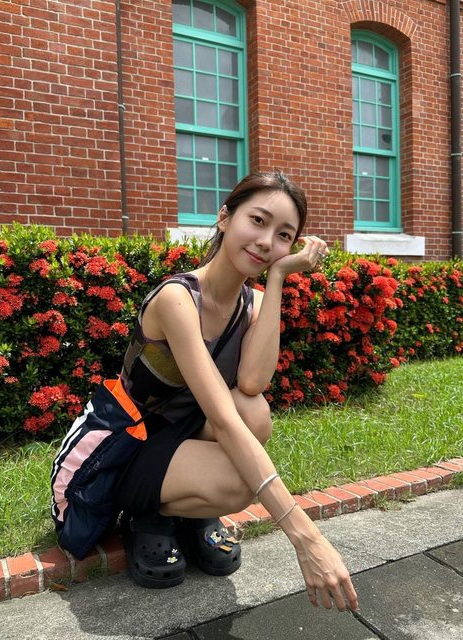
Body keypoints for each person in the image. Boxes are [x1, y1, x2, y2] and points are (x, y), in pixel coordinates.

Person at [51, 170, 359, 613]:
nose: (266, 241)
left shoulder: (250, 303)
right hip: (124, 447)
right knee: (236, 482)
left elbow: (251, 384)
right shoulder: (177, 299)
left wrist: (277, 279)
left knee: (254, 411)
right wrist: (306, 537)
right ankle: (147, 516)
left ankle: (186, 512)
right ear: (224, 217)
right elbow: (223, 420)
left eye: (284, 235)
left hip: (176, 436)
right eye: (257, 220)